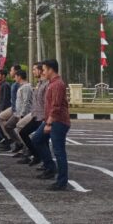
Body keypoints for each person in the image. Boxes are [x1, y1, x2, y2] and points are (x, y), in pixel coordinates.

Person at [32, 59, 71, 191]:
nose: (42, 72)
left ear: (50, 69)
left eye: (44, 69)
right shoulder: (51, 83)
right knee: (37, 139)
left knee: (59, 151)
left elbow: (56, 106)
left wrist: (49, 122)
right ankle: (50, 167)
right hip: (50, 120)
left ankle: (61, 182)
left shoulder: (57, 84)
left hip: (58, 121)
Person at [17, 63, 47, 166]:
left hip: (42, 117)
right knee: (23, 132)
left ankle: (47, 164)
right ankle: (37, 156)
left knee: (42, 141)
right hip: (35, 115)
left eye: (34, 69)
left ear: (40, 70)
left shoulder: (46, 84)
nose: (33, 72)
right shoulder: (39, 83)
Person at [5, 69, 33, 157]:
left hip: (23, 113)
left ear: (19, 77)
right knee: (8, 126)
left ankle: (26, 150)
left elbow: (26, 102)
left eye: (16, 76)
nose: (15, 78)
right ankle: (19, 143)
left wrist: (22, 114)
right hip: (17, 113)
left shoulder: (26, 87)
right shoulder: (21, 86)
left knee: (22, 131)